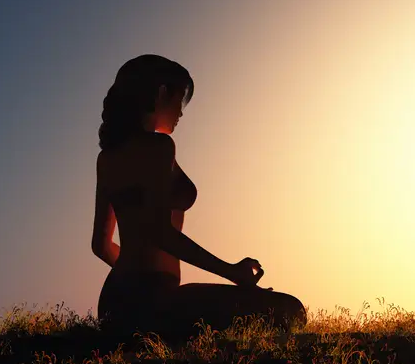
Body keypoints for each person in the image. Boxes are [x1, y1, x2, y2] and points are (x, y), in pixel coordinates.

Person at [92, 54, 307, 341]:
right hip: (155, 302)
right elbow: (160, 232)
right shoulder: (160, 147)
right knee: (291, 310)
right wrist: (231, 271)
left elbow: (101, 245)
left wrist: (131, 275)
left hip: (113, 303)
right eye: (180, 99)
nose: (181, 112)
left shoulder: (106, 158)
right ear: (161, 93)